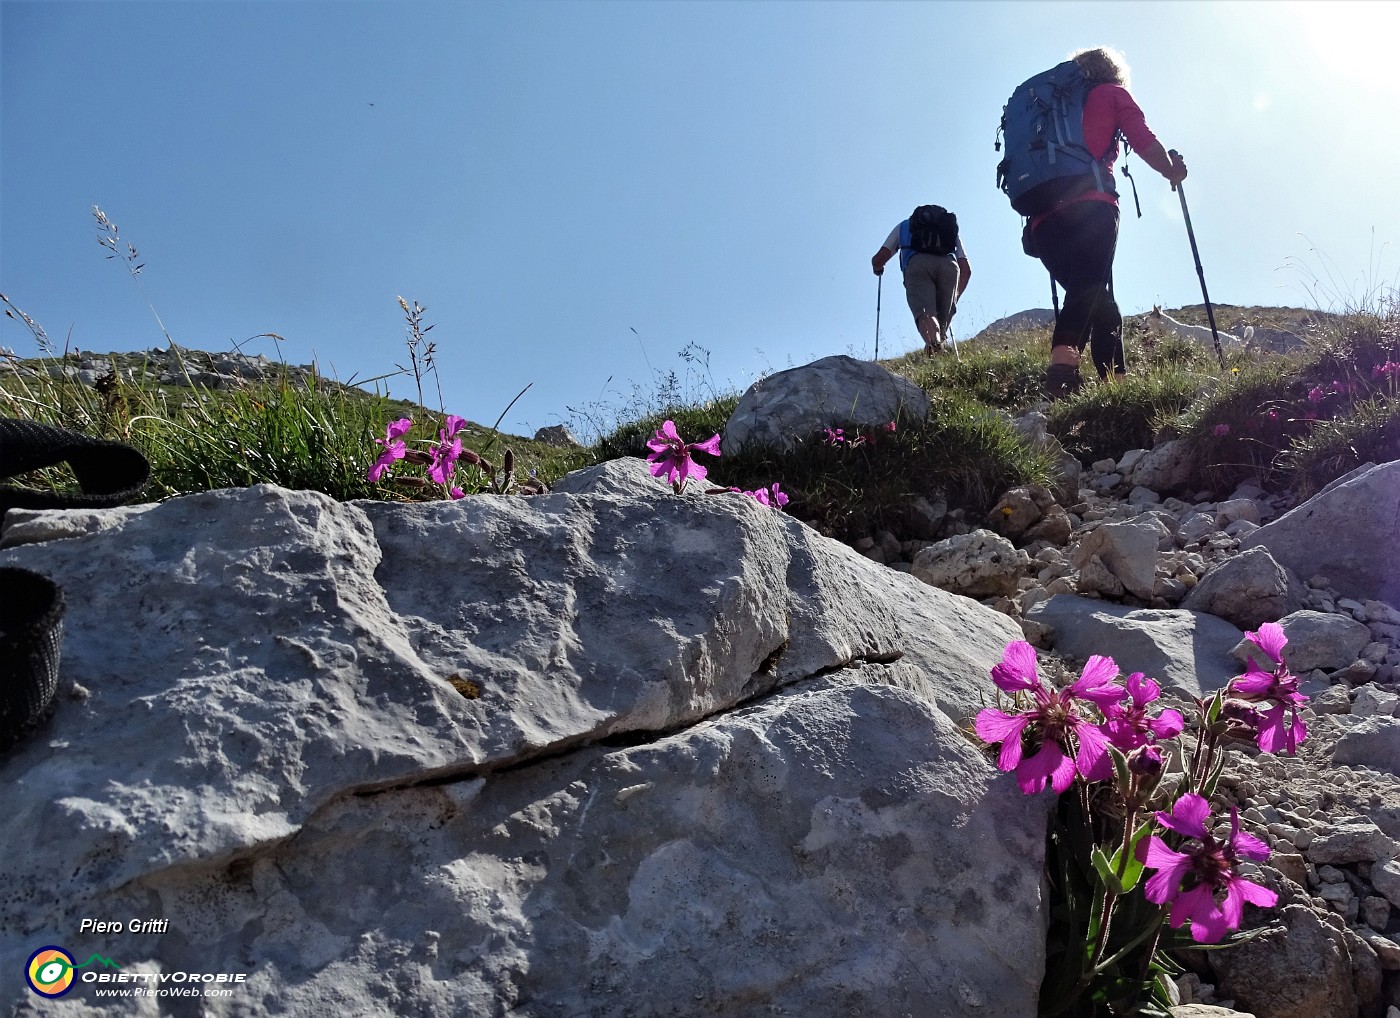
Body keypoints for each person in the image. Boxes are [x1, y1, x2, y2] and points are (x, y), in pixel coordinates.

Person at [1026, 47, 1188, 399]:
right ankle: (1062, 373)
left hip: (1040, 220)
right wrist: (1171, 170)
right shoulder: (1112, 93)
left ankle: (1115, 387)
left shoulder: (1049, 106)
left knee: (1099, 300)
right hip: (1091, 206)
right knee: (1089, 288)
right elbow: (1142, 138)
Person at [871, 213, 971, 355]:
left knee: (926, 314)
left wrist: (878, 269)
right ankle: (939, 353)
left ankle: (935, 349)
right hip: (950, 266)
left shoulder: (904, 226)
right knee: (942, 324)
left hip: (917, 265)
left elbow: (878, 259)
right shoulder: (947, 229)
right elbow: (966, 270)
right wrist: (954, 297)